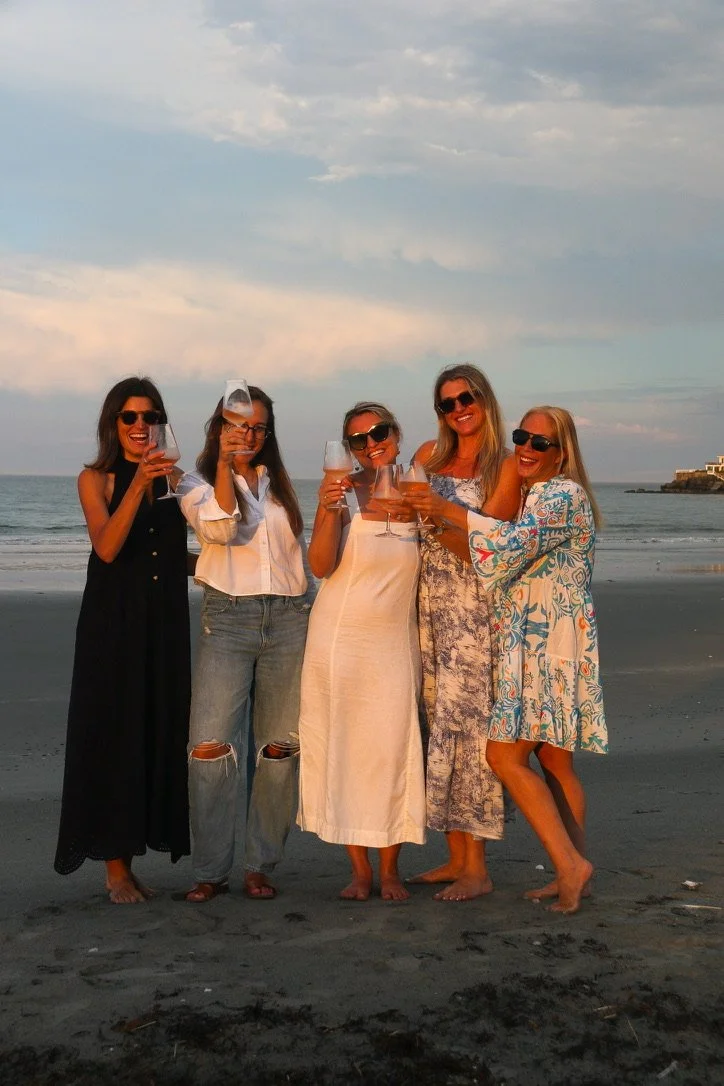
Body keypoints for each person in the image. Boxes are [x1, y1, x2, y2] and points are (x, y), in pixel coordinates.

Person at [408, 406, 606, 914]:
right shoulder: (538, 494)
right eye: (522, 437)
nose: (527, 448)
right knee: (554, 759)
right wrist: (437, 520)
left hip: (542, 649)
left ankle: (571, 866)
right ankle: (575, 868)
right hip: (547, 643)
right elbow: (489, 551)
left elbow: (503, 547)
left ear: (562, 453)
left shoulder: (561, 495)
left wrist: (439, 507)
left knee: (503, 757)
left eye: (541, 443)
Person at [54, 377, 191, 903]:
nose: (140, 426)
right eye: (129, 417)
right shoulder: (96, 479)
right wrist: (137, 484)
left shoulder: (174, 479)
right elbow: (108, 547)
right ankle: (114, 868)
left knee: (153, 730)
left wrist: (229, 568)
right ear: (114, 423)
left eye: (150, 416)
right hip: (113, 625)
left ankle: (130, 860)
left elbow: (169, 556)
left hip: (163, 623)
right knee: (115, 733)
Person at [177, 388, 312, 903]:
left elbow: (299, 559)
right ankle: (211, 869)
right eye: (236, 425)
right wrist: (227, 464)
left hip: (289, 618)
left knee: (278, 748)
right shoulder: (193, 483)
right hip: (229, 618)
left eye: (256, 427)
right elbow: (221, 528)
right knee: (209, 746)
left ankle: (261, 863)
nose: (247, 435)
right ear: (217, 427)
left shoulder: (280, 488)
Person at [297, 403, 426, 901]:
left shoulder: (418, 489)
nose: (370, 442)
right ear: (347, 448)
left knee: (392, 747)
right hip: (340, 638)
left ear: (395, 433)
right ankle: (359, 871)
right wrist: (328, 509)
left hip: (395, 641)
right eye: (357, 439)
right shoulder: (343, 492)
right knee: (345, 748)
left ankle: (391, 869)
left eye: (379, 431)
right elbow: (321, 565)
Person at [406, 364, 519, 900]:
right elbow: (405, 522)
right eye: (447, 403)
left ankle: (478, 866)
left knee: (472, 736)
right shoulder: (427, 456)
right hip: (428, 608)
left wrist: (438, 514)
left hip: (477, 613)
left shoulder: (506, 466)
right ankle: (454, 857)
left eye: (466, 398)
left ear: (484, 398)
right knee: (439, 727)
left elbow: (489, 552)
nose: (458, 409)